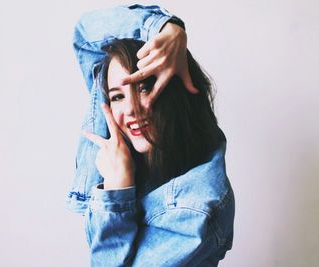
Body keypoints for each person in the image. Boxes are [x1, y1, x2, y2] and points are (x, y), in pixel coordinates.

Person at [67, 4, 235, 266]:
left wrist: (118, 189)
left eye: (144, 87)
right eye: (118, 96)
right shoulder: (131, 137)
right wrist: (167, 29)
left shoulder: (195, 207)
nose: (131, 110)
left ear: (175, 92)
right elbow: (86, 33)